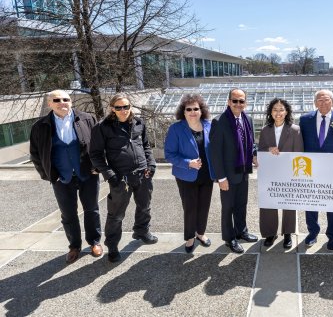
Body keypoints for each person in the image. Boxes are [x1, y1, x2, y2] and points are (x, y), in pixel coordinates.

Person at [29, 90, 102, 264]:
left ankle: (94, 242)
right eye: (57, 100)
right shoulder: (40, 126)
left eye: (66, 99)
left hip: (87, 175)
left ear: (71, 101)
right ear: (50, 104)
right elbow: (35, 154)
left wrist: (98, 166)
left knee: (92, 210)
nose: (62, 102)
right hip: (61, 178)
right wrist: (48, 175)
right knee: (68, 214)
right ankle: (74, 246)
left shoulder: (87, 119)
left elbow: (100, 144)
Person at [90, 93, 157, 262]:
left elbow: (146, 146)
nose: (123, 110)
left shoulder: (139, 123)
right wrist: (108, 174)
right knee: (116, 215)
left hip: (143, 174)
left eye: (126, 106)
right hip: (120, 178)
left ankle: (142, 231)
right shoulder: (103, 127)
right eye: (118, 107)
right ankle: (112, 246)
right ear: (112, 108)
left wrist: (151, 164)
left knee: (144, 206)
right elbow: (96, 154)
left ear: (130, 107)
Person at [299, 89, 333, 250]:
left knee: (332, 204)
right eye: (320, 100)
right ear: (315, 103)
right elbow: (298, 142)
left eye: (326, 100)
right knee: (311, 203)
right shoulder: (305, 120)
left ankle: (332, 235)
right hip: (310, 170)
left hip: (332, 170)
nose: (323, 103)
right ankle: (312, 232)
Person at [209, 88, 258, 254]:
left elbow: (250, 143)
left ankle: (241, 231)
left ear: (245, 103)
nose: (238, 104)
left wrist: (254, 154)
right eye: (235, 101)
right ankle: (229, 238)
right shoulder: (219, 122)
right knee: (228, 207)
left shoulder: (248, 119)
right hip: (228, 175)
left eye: (241, 101)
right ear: (229, 102)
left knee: (241, 204)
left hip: (243, 171)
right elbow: (215, 153)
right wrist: (221, 178)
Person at [164, 94, 214, 254]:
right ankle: (190, 237)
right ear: (183, 112)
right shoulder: (176, 128)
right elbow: (169, 154)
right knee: (190, 207)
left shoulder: (209, 125)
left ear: (202, 110)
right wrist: (188, 163)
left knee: (204, 206)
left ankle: (201, 233)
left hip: (207, 174)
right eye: (189, 109)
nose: (193, 112)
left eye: (196, 109)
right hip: (186, 175)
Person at [258, 98, 304, 248]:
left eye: (281, 110)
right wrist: (268, 149)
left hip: (289, 173)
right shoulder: (265, 130)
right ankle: (270, 233)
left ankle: (288, 233)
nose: (278, 113)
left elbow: (299, 154)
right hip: (270, 173)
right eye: (275, 110)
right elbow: (260, 151)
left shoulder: (295, 130)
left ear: (286, 112)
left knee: (289, 204)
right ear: (270, 112)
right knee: (269, 204)